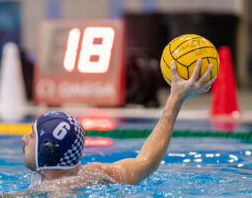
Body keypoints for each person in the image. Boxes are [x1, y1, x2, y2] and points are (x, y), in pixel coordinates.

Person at [22, 60, 215, 189]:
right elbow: (144, 163)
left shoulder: (56, 191)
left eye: (32, 136)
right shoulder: (95, 173)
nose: (24, 138)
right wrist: (175, 99)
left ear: (47, 151)